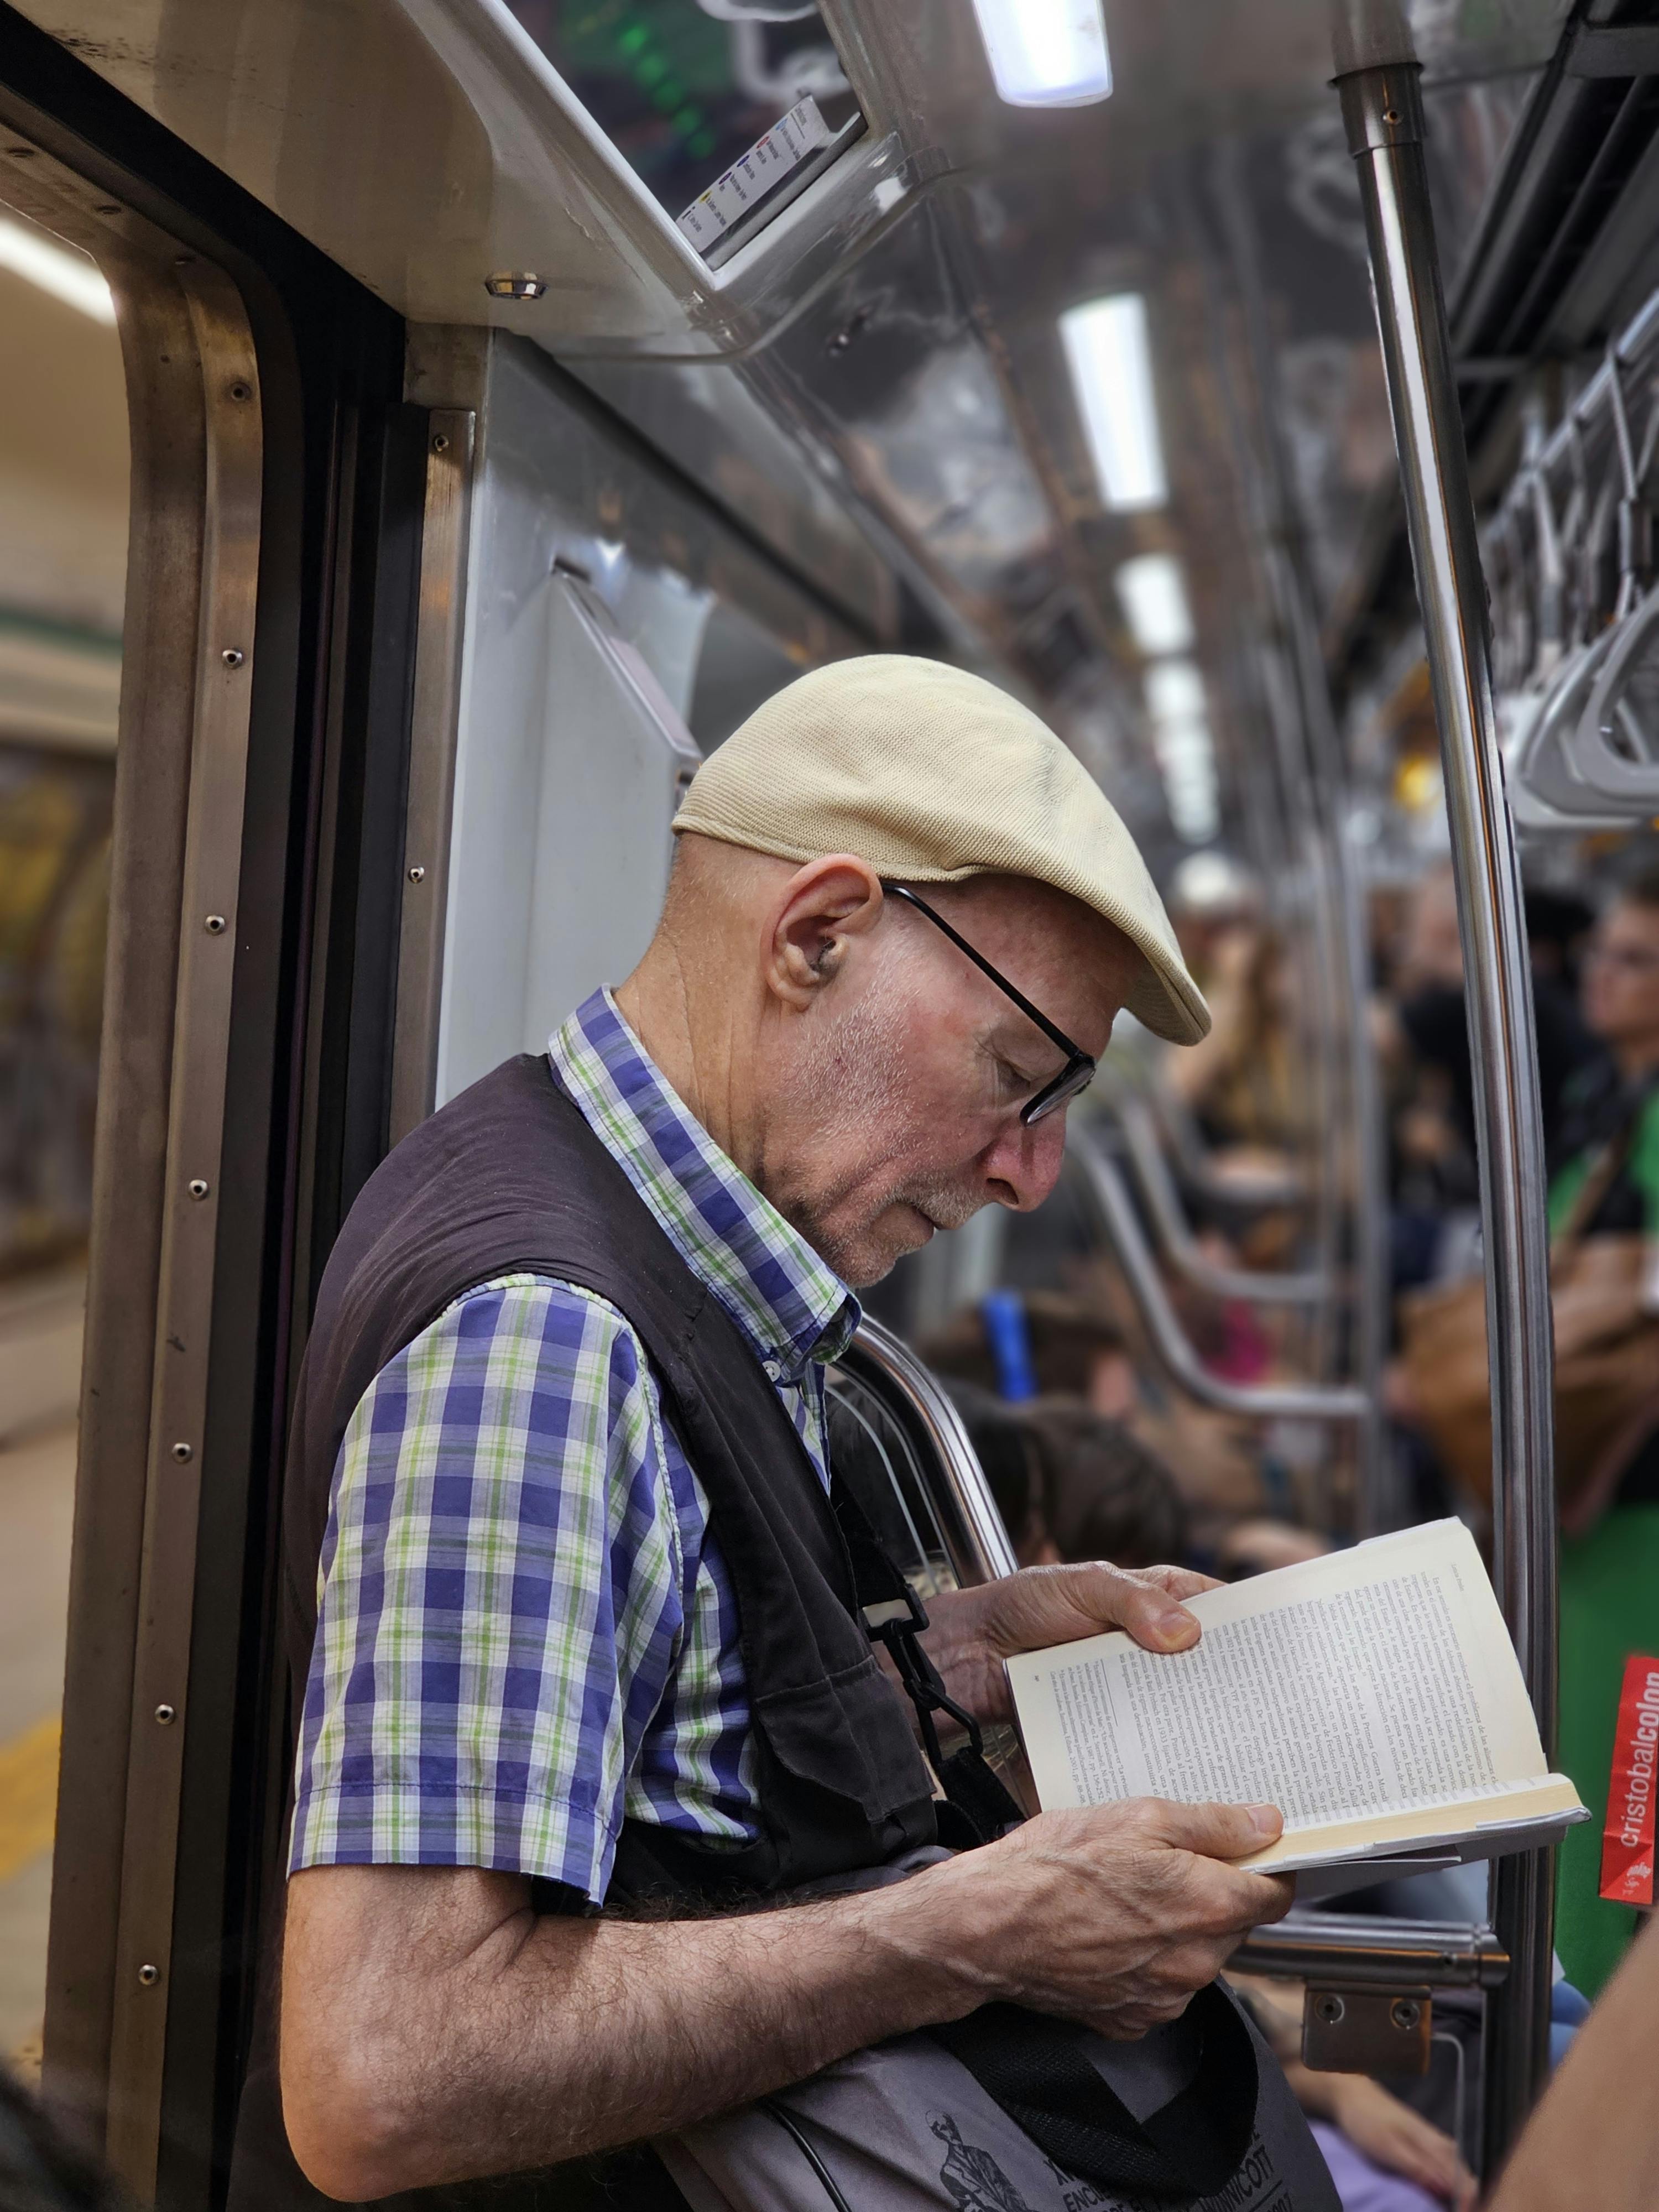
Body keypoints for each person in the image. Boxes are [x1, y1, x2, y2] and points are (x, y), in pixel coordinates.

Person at [234, 659, 1308, 2210]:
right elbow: (390, 2073)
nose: (1033, 1176)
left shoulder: (660, 1234)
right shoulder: (550, 1337)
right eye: (1019, 1081)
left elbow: (651, 1745)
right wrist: (977, 1932)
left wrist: (953, 1654)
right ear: (817, 937)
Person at [1547, 865, 1659, 2002]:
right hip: (1589, 1498)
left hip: (1631, 1511)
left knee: (1627, 1772)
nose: (1604, 974)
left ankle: (1598, 2017)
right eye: (1605, 952)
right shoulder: (1613, 1099)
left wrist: (1595, 1468)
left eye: (1636, 958)